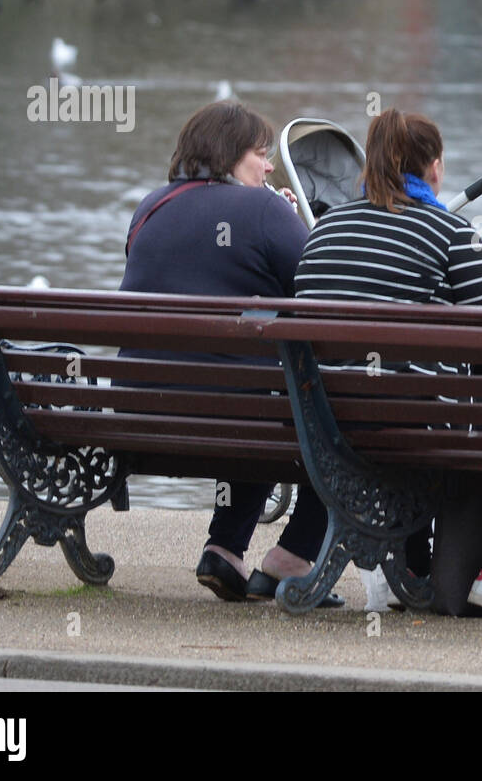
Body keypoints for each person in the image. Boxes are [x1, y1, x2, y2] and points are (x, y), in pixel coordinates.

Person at [294, 108, 482, 619]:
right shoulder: (451, 231)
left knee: (413, 393)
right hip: (412, 427)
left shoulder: (324, 230)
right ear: (434, 168)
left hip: (322, 424)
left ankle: (408, 570)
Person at [119, 101, 340, 603]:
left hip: (138, 414)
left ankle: (226, 550)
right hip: (238, 417)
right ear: (228, 155)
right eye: (261, 154)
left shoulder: (150, 206)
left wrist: (270, 215)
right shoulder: (263, 208)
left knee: (244, 386)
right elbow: (322, 291)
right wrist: (284, 216)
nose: (268, 166)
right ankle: (292, 557)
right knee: (325, 411)